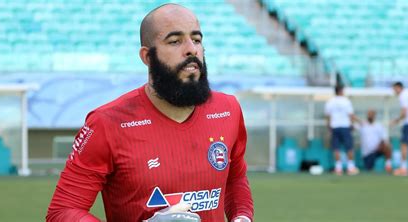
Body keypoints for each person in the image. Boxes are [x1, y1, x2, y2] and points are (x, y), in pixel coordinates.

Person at [46, 4, 253, 222]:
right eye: (175, 41)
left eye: (197, 39)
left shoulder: (227, 109)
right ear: (147, 56)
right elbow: (62, 211)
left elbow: (234, 178)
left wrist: (242, 217)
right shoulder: (107, 123)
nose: (192, 49)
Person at [324, 85, 360, 175]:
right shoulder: (346, 101)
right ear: (341, 91)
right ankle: (350, 167)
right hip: (345, 126)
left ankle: (338, 168)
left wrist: (329, 126)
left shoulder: (330, 101)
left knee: (336, 148)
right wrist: (354, 124)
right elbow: (350, 115)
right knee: (349, 147)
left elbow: (328, 116)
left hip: (335, 126)